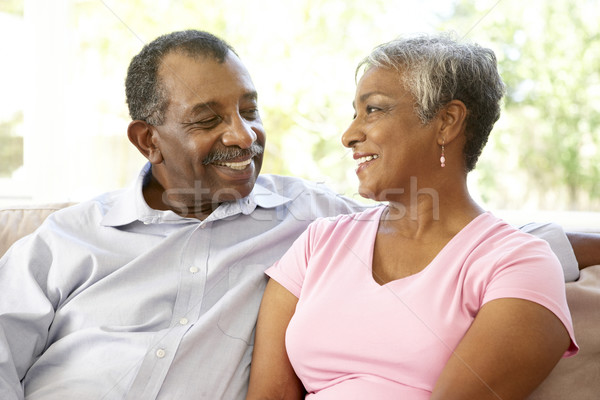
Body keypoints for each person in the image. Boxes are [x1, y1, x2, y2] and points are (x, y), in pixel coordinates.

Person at [0, 30, 589, 400]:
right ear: (148, 140)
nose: (243, 135)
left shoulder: (309, 217)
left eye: (251, 111)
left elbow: (475, 238)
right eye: (208, 119)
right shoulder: (67, 240)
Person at [246, 33, 580, 400]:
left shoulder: (518, 263)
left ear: (447, 122)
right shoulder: (319, 243)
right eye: (354, 113)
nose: (349, 135)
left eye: (372, 109)